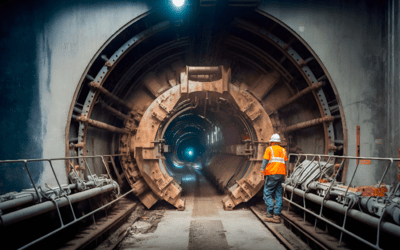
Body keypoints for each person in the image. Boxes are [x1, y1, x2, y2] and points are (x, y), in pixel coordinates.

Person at [260, 133, 288, 223]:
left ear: (271, 142)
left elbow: (265, 161)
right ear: (279, 142)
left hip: (271, 174)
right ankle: (277, 215)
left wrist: (262, 171)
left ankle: (270, 212)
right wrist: (285, 174)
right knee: (278, 194)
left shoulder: (269, 149)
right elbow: (285, 163)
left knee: (267, 193)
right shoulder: (283, 150)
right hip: (281, 175)